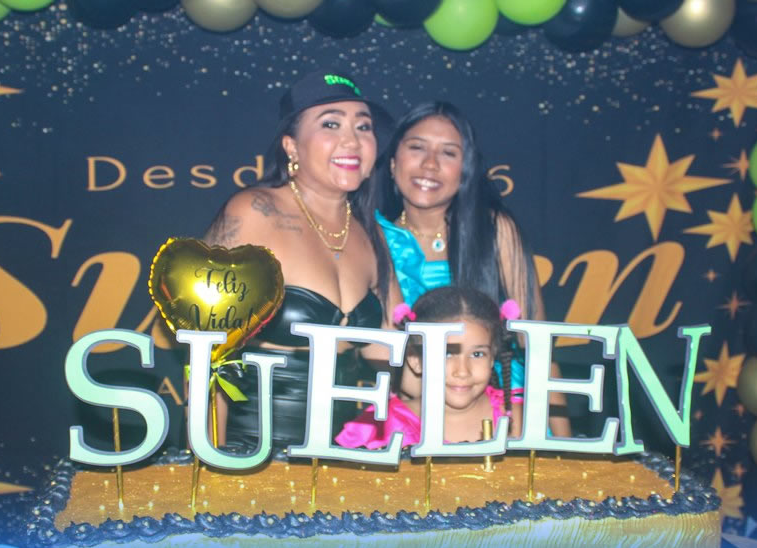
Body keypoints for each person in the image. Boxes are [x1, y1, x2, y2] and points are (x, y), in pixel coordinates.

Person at [203, 71, 402, 450]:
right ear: (291, 146)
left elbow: (393, 357)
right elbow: (206, 356)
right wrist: (212, 459)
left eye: (363, 127)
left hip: (341, 456)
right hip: (252, 453)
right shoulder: (254, 212)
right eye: (331, 124)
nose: (352, 140)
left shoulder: (372, 233)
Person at [368, 101, 569, 434]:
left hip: (510, 416)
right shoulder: (371, 239)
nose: (430, 164)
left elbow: (538, 347)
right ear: (391, 162)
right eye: (417, 148)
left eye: (448, 153)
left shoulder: (495, 230)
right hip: (414, 420)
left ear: (465, 170)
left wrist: (565, 444)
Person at [335, 287, 571, 448]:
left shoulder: (517, 420)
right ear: (416, 360)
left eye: (477, 354)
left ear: (493, 358)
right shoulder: (379, 425)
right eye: (447, 353)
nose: (462, 371)